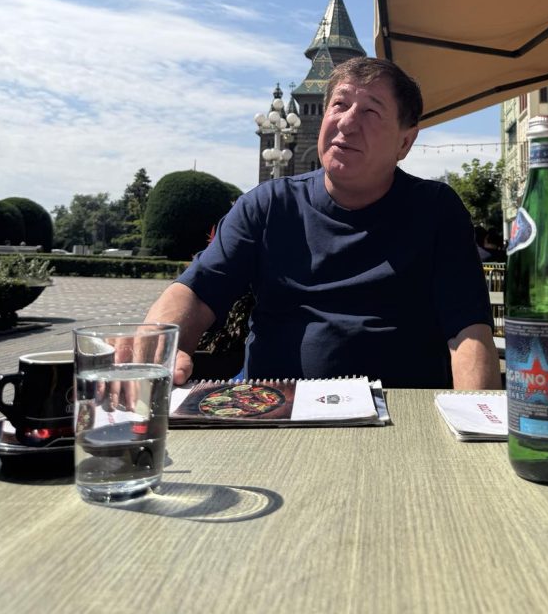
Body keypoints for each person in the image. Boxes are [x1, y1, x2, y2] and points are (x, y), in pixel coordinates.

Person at [145, 57, 501, 390]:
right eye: (339, 105)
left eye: (371, 111)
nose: (347, 123)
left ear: (404, 142)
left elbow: (468, 331)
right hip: (275, 410)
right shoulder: (268, 206)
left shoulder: (435, 210)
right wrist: (155, 344)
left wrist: (476, 418)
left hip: (402, 415)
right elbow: (198, 290)